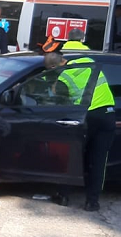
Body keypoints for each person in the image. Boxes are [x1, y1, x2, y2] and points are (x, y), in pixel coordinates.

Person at [46, 42, 116, 213]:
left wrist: (53, 87)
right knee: (98, 161)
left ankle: (63, 195)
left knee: (73, 158)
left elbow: (60, 102)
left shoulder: (64, 77)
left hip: (86, 117)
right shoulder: (87, 60)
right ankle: (92, 202)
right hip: (107, 114)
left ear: (54, 66)